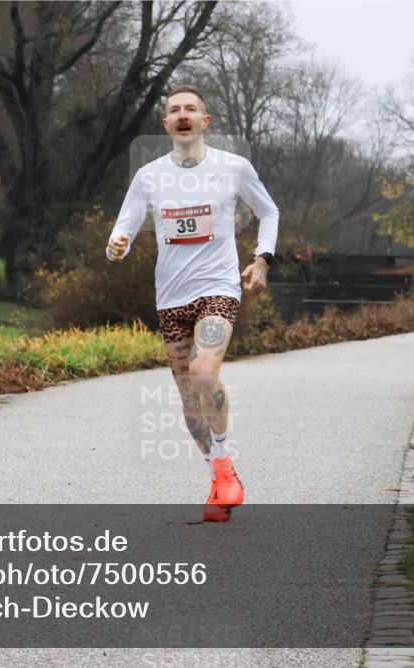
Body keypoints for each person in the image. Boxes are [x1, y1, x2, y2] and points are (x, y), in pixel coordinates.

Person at [105, 84, 279, 522]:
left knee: (205, 373)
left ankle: (223, 468)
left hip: (219, 288)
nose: (182, 114)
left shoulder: (233, 168)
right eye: (174, 110)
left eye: (191, 109)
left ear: (206, 121)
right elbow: (123, 228)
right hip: (171, 298)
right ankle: (220, 478)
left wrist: (262, 260)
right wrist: (117, 245)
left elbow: (269, 211)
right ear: (165, 124)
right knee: (188, 402)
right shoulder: (149, 177)